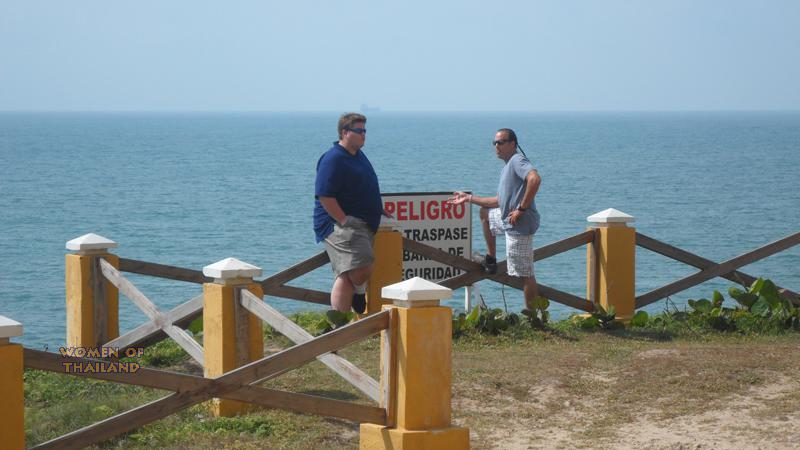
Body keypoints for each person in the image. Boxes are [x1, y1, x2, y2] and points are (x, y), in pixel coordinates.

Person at [449, 128, 541, 309]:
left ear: (513, 144)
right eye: (494, 143)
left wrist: (521, 209)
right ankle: (491, 258)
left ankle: (534, 319)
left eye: (501, 142)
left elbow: (535, 179)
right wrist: (468, 198)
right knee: (485, 213)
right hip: (508, 220)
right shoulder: (507, 167)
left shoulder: (517, 160)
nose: (496, 146)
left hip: (519, 225)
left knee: (526, 275)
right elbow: (499, 201)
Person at [313, 113, 384, 314]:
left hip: (363, 222)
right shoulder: (333, 159)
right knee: (361, 267)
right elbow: (325, 196)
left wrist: (379, 208)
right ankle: (354, 299)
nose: (364, 135)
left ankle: (339, 327)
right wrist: (344, 220)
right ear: (345, 132)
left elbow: (364, 185)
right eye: (359, 131)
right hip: (339, 223)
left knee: (350, 271)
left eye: (365, 131)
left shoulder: (358, 155)